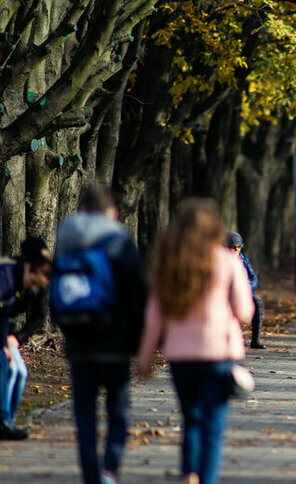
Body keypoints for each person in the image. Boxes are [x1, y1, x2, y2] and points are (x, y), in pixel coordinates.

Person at [136, 199, 254, 484]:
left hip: (181, 355)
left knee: (191, 417)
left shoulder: (170, 263)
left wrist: (145, 357)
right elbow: (245, 311)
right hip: (218, 354)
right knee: (213, 424)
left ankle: (189, 473)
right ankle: (207, 479)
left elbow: (154, 315)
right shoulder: (227, 261)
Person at [52, 185, 147, 484]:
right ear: (113, 212)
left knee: (84, 414)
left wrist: (66, 327)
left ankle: (91, 475)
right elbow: (137, 294)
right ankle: (110, 469)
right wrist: (139, 341)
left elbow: (57, 288)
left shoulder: (66, 238)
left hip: (79, 341)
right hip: (114, 342)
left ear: (81, 210)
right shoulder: (119, 241)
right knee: (118, 410)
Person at [0, 237, 52, 440]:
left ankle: (7, 421)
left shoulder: (39, 281)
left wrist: (16, 338)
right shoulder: (8, 274)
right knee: (6, 366)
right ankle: (3, 420)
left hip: (7, 332)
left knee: (20, 371)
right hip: (3, 332)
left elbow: (38, 316)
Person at [225, 232, 266, 348]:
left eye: (239, 247)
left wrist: (247, 289)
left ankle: (255, 340)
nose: (236, 250)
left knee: (258, 303)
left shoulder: (243, 259)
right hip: (225, 295)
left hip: (242, 293)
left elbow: (253, 277)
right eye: (233, 247)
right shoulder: (219, 261)